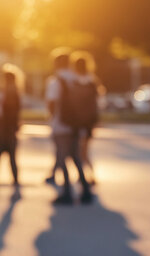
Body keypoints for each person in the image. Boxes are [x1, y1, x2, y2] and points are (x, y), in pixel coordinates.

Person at [45, 49, 93, 205]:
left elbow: (52, 103)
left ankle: (67, 191)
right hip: (77, 124)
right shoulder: (77, 79)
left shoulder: (56, 80)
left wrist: (52, 119)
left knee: (62, 157)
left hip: (61, 124)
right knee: (76, 157)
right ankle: (85, 189)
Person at [71, 52, 103, 185]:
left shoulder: (73, 82)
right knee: (85, 150)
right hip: (89, 121)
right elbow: (97, 103)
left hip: (77, 121)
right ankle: (88, 174)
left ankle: (86, 174)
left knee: (80, 150)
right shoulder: (92, 81)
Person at [0, 63, 22, 187]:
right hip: (10, 130)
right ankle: (15, 181)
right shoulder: (15, 93)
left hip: (3, 130)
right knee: (11, 158)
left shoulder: (6, 94)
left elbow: (2, 113)